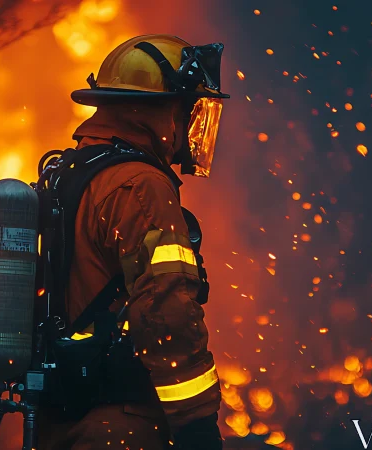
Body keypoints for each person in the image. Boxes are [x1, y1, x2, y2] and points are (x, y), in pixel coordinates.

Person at [37, 34, 228, 450]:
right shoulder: (141, 186)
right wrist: (197, 424)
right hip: (122, 427)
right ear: (162, 112)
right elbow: (167, 310)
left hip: (60, 423)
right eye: (190, 109)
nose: (193, 125)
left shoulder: (71, 171)